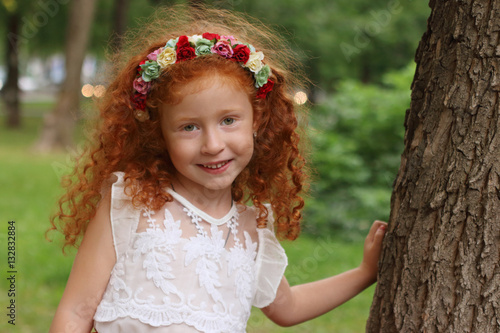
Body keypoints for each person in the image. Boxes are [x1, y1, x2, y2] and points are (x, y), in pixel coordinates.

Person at [49, 5, 387, 333]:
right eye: (189, 127)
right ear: (159, 134)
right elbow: (77, 311)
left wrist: (363, 273)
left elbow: (288, 307)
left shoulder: (252, 230)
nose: (212, 144)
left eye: (228, 120)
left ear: (257, 120)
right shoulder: (131, 202)